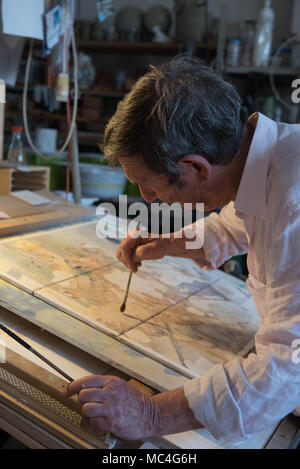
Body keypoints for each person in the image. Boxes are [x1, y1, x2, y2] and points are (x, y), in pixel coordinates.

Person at [63, 56, 300, 446]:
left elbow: (288, 367)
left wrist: (149, 412)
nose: (147, 197)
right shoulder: (269, 161)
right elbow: (235, 225)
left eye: (148, 184)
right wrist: (170, 243)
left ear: (196, 168)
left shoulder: (292, 201)